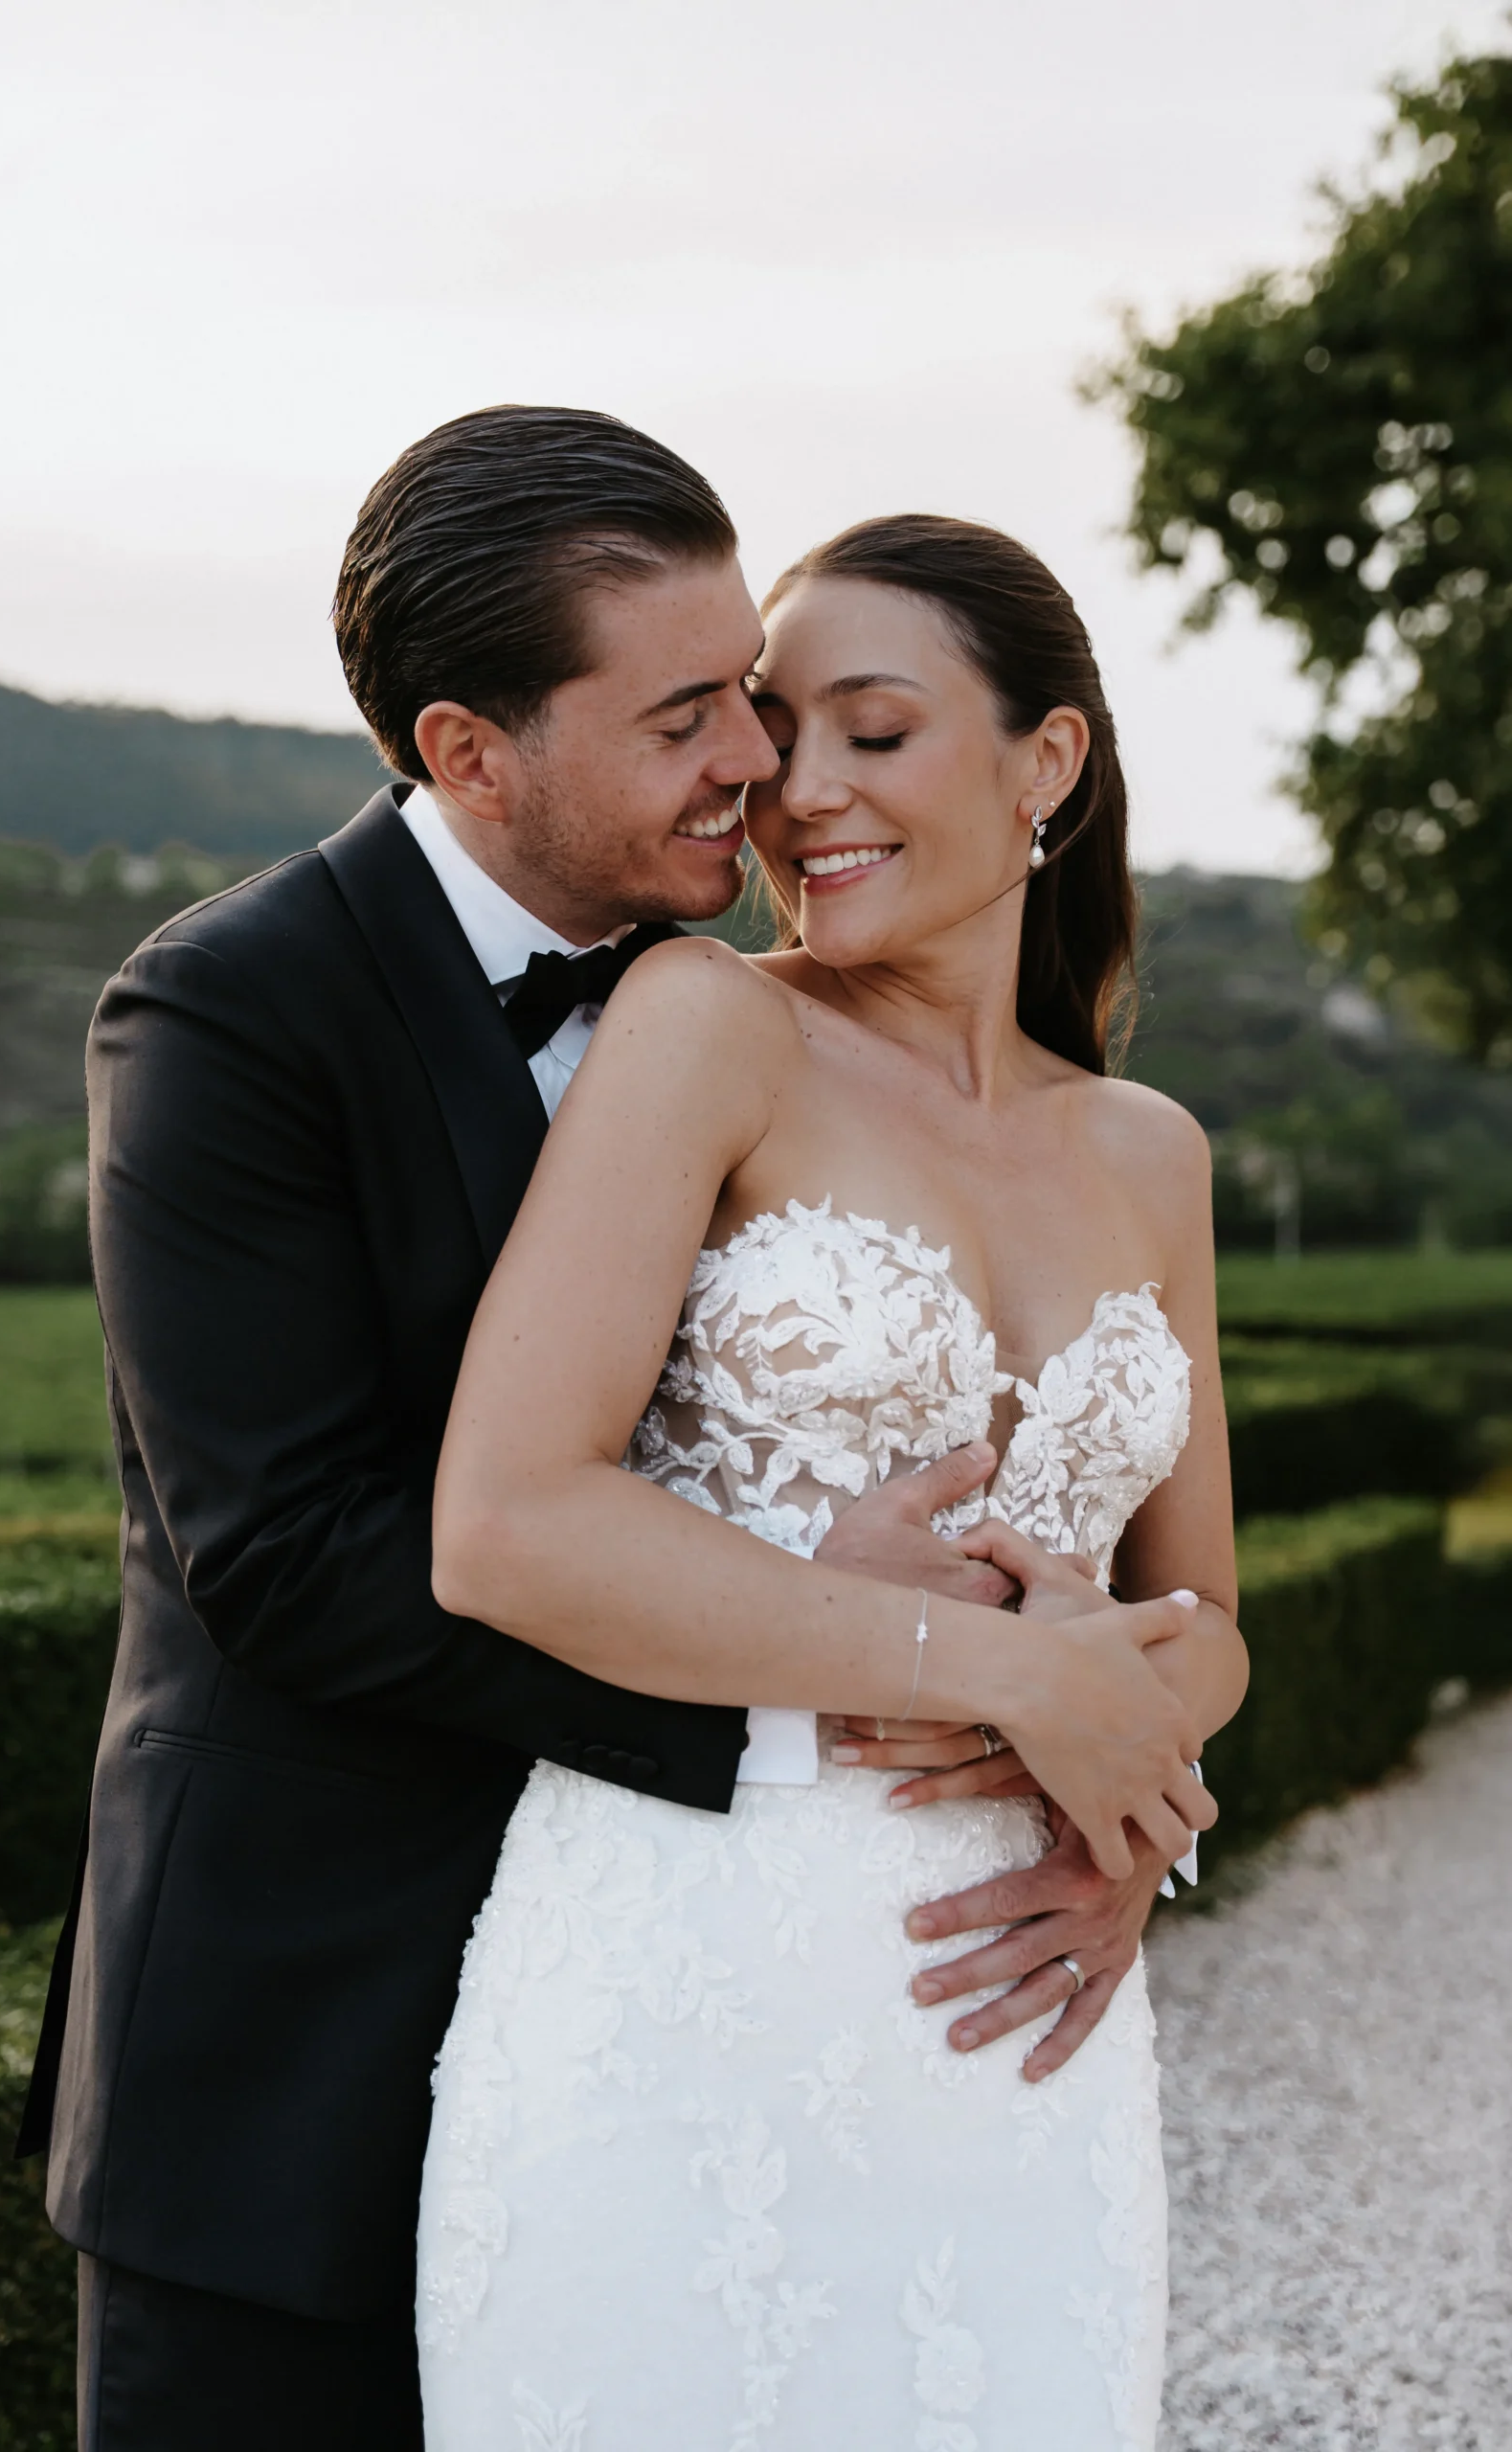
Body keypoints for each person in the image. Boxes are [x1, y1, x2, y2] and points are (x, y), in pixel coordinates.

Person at [16, 410, 1173, 2452]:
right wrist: (840, 1654)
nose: (758, 760)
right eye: (685, 717)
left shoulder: (733, 1003)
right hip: (301, 2033)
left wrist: (1091, 1791)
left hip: (717, 1998)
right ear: (471, 752)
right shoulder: (224, 1013)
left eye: (753, 690)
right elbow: (287, 1558)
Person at [418, 512, 1247, 2448]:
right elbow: (506, 1522)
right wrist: (1016, 1672)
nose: (795, 794)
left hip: (1030, 2032)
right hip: (685, 1986)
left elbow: (1203, 1615)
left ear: (1046, 762)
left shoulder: (1153, 1151)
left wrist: (1133, 1799)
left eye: (872, 733)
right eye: (776, 735)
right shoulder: (709, 1022)